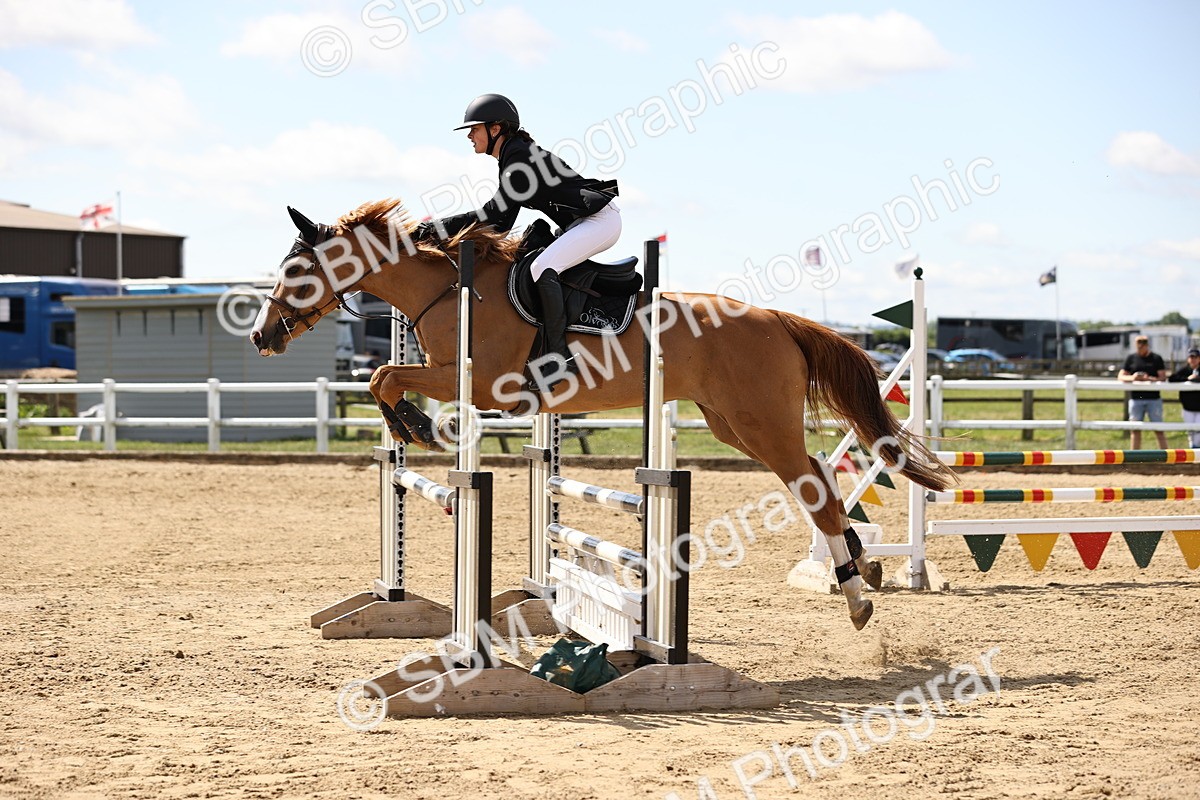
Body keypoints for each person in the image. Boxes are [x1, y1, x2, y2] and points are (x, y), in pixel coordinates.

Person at [419, 93, 622, 388]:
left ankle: (559, 359)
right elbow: (499, 217)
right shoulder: (514, 155)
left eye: (474, 129)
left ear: (496, 129)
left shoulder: (519, 159)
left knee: (542, 269)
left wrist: (436, 228)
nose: (469, 136)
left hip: (599, 222)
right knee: (531, 262)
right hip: (582, 222)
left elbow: (497, 217)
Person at [1118, 335, 1168, 449]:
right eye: (1139, 344)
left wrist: (1148, 379)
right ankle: (1134, 457)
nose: (1141, 346)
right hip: (1136, 398)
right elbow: (1121, 376)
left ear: (1147, 345)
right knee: (1135, 429)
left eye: (1143, 344)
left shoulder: (1156, 358)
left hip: (1153, 398)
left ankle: (1166, 455)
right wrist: (1133, 378)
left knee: (1158, 429)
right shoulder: (1131, 358)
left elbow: (1162, 377)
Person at [1167, 347, 1200, 448]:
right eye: (1191, 357)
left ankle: (1196, 450)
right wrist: (1187, 379)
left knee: (1198, 431)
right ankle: (1193, 450)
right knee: (1190, 431)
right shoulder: (1185, 370)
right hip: (1187, 406)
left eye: (1195, 357)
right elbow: (1172, 378)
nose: (1193, 359)